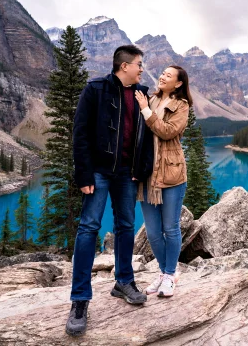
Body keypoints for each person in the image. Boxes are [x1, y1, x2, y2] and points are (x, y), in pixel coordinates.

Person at [65, 45, 154, 336]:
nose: (142, 68)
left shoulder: (141, 93)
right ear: (124, 65)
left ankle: (124, 282)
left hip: (127, 175)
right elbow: (80, 132)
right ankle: (80, 300)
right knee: (88, 228)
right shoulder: (96, 89)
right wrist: (84, 173)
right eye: (139, 64)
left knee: (126, 226)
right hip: (99, 173)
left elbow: (146, 136)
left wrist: (141, 170)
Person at [134, 65, 192, 298]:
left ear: (178, 83)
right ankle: (164, 272)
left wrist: (146, 111)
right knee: (153, 232)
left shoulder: (181, 105)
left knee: (170, 228)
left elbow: (168, 131)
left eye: (168, 75)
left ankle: (169, 274)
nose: (162, 76)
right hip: (147, 174)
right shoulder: (150, 99)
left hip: (171, 174)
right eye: (162, 73)